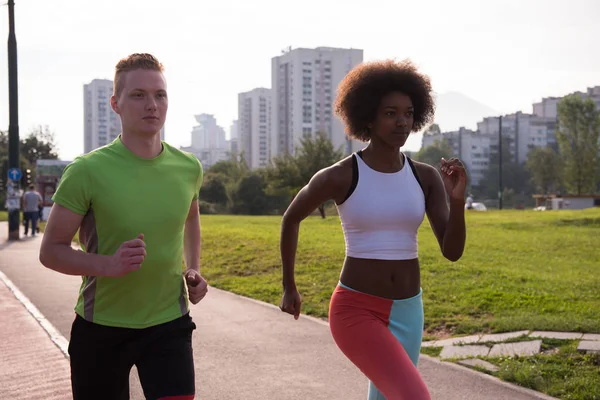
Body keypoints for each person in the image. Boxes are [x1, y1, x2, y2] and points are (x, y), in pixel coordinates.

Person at [279, 59, 467, 399]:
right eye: (390, 113)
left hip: (410, 309)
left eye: (408, 113)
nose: (402, 122)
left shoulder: (424, 177)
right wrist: (289, 286)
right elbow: (291, 218)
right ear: (368, 116)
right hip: (356, 310)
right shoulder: (339, 175)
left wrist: (457, 201)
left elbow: (452, 252)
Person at [39, 53, 208, 400]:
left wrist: (193, 269)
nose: (152, 104)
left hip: (169, 326)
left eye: (160, 95)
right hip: (101, 329)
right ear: (116, 104)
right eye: (138, 95)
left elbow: (190, 216)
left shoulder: (188, 167)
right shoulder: (86, 171)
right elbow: (50, 251)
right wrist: (108, 265)